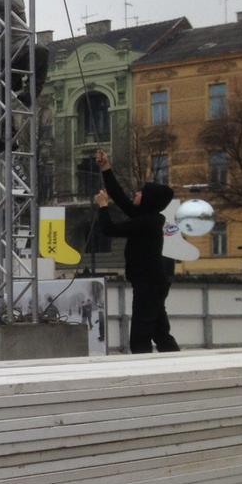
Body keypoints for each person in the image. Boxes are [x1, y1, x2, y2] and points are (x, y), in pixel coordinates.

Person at [93, 149, 178, 354]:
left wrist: (103, 207)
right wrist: (106, 168)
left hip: (148, 284)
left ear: (148, 199)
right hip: (152, 283)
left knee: (140, 334)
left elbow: (110, 230)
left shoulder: (146, 222)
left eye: (141, 193)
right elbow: (120, 197)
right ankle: (176, 362)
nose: (136, 194)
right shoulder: (147, 217)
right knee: (159, 332)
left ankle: (141, 365)